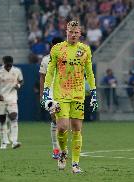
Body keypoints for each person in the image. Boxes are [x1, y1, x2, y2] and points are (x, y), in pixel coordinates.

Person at [41, 20, 98, 173]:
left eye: (76, 32)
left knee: (77, 129)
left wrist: (93, 92)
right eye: (71, 32)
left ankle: (75, 164)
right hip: (61, 94)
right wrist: (46, 90)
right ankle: (63, 153)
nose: (73, 35)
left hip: (78, 94)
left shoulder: (85, 49)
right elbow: (50, 71)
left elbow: (89, 73)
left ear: (80, 34)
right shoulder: (57, 49)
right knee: (62, 127)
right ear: (66, 32)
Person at [39, 37, 63, 159]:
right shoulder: (46, 60)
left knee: (64, 123)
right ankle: (56, 149)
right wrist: (42, 94)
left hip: (65, 93)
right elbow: (42, 78)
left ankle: (63, 148)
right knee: (54, 119)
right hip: (51, 94)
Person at [0, 56, 23, 150]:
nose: (9, 67)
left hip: (12, 98)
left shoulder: (17, 71)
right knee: (2, 120)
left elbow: (21, 81)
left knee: (14, 117)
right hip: (1, 98)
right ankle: (3, 142)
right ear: (4, 63)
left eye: (10, 65)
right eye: (7, 65)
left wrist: (19, 85)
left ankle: (14, 142)